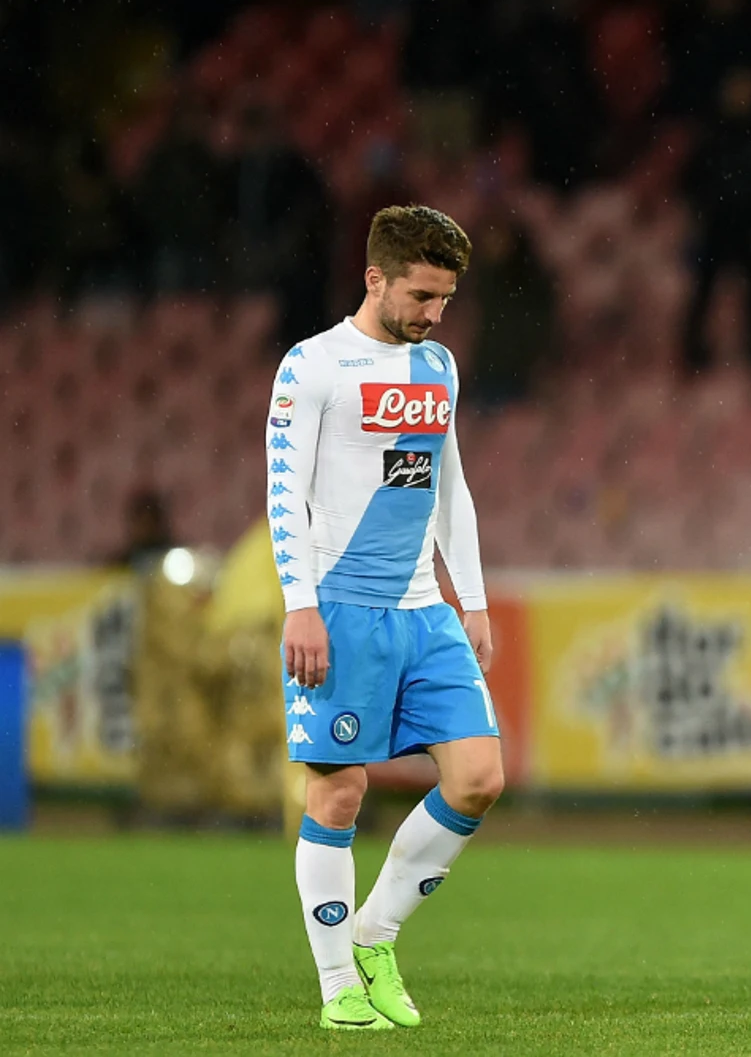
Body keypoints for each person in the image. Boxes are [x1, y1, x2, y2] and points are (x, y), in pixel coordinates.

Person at [269, 205, 502, 1031]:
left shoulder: (436, 365)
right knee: (339, 795)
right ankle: (338, 987)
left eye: (445, 299)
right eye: (423, 295)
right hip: (339, 607)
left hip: (422, 611)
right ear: (375, 277)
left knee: (479, 776)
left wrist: (468, 598)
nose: (435, 315)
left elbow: (448, 487)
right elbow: (283, 494)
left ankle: (376, 933)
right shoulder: (313, 366)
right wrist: (300, 606)